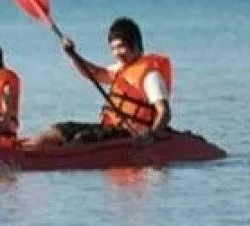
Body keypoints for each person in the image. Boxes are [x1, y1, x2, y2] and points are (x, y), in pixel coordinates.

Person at [30, 17, 172, 145]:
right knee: (59, 130)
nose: (117, 53)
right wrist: (72, 55)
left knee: (82, 139)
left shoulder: (151, 76)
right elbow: (93, 73)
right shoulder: (120, 69)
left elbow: (164, 112)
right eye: (113, 48)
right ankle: (27, 148)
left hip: (130, 135)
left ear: (135, 44)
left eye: (121, 47)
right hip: (110, 130)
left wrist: (151, 136)